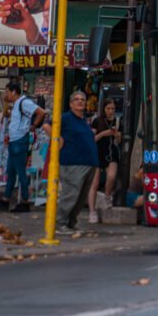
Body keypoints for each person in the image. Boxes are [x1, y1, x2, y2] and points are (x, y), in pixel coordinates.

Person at [54, 90, 98, 233]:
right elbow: (47, 126)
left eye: (83, 100)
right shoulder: (66, 118)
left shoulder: (83, 120)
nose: (80, 101)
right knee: (70, 194)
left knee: (81, 197)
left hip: (88, 163)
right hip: (73, 162)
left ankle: (71, 222)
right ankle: (60, 223)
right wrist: (58, 139)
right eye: (77, 99)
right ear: (71, 104)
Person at [0, 82, 45, 213]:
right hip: (14, 141)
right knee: (11, 172)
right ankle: (6, 199)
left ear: (14, 91)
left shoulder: (24, 102)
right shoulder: (16, 103)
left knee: (20, 172)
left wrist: (33, 126)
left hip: (19, 141)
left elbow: (41, 112)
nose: (6, 94)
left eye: (7, 91)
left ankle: (24, 201)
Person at [87, 98, 121, 224]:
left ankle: (107, 197)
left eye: (113, 109)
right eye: (108, 109)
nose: (110, 111)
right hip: (97, 153)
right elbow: (92, 139)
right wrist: (103, 134)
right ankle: (92, 211)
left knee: (111, 177)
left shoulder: (118, 121)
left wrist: (116, 135)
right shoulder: (97, 121)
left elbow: (119, 141)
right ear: (103, 109)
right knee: (94, 183)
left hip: (111, 153)